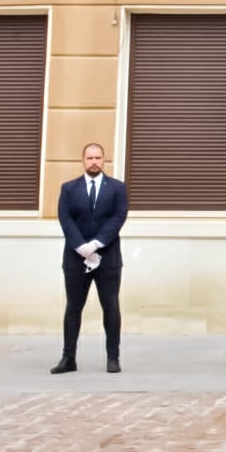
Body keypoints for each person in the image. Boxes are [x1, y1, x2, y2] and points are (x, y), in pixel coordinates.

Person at [52, 141, 128, 374]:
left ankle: (113, 358)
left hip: (108, 257)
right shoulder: (69, 188)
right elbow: (65, 218)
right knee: (73, 307)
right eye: (90, 158)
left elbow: (118, 217)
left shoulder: (117, 188)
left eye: (98, 158)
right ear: (83, 161)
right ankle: (68, 358)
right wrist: (80, 246)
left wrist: (96, 243)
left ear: (103, 160)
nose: (94, 162)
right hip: (76, 258)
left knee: (111, 307)